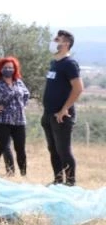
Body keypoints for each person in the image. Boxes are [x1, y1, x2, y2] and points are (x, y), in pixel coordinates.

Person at [42, 29, 84, 186]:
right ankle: (58, 181)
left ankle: (70, 184)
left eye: (57, 39)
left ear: (66, 44)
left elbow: (78, 88)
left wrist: (64, 109)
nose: (53, 42)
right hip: (48, 114)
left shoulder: (69, 64)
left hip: (62, 115)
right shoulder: (54, 63)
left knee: (64, 151)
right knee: (53, 150)